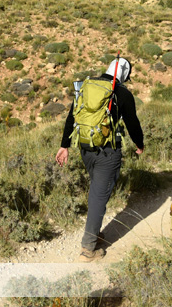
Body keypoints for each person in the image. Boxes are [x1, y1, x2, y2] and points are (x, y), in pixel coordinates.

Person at [56, 57, 144, 262]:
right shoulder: (121, 92)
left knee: (97, 190)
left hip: (85, 148)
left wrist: (64, 145)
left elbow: (72, 116)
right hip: (108, 152)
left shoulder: (86, 86)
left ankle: (93, 232)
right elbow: (132, 123)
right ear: (123, 74)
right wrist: (139, 144)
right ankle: (88, 249)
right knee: (99, 196)